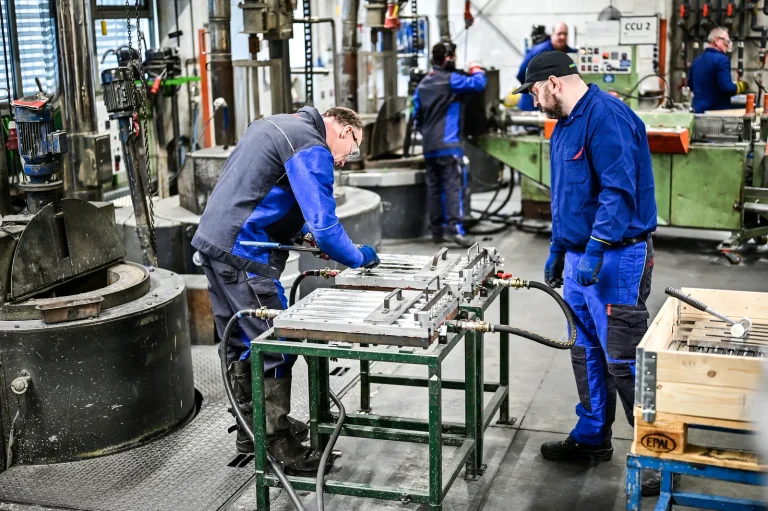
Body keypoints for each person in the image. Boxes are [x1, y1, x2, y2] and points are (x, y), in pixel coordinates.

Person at [191, 106, 380, 475]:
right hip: (245, 253)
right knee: (274, 345)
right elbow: (326, 226)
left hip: (214, 243)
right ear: (343, 131)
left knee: (240, 341)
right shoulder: (311, 144)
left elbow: (260, 191)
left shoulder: (273, 124)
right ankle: (278, 443)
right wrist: (357, 257)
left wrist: (299, 236)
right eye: (351, 150)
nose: (343, 162)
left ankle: (251, 431)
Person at [512, 52, 660, 494]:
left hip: (617, 256)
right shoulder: (564, 125)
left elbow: (618, 191)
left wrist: (596, 249)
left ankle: (655, 453)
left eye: (535, 92)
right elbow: (565, 195)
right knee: (585, 350)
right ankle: (593, 437)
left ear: (554, 82)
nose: (534, 102)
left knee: (624, 359)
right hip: (579, 258)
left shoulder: (607, 117)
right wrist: (559, 247)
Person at [413, 41, 487, 247]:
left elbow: (416, 116)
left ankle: (437, 231)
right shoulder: (452, 80)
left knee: (435, 188)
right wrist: (476, 68)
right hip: (449, 145)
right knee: (454, 187)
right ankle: (455, 229)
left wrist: (428, 135)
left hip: (429, 146)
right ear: (449, 59)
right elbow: (479, 83)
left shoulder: (423, 84)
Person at [516, 22, 575, 111]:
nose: (562, 37)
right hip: (533, 107)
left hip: (560, 107)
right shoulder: (538, 52)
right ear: (552, 35)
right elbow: (521, 74)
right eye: (559, 34)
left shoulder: (572, 54)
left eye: (565, 34)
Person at [689, 27, 749, 113]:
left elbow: (691, 85)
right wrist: (740, 87)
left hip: (698, 113)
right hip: (716, 114)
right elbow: (727, 88)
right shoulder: (722, 60)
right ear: (717, 41)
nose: (728, 45)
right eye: (727, 42)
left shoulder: (697, 60)